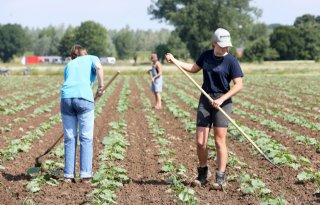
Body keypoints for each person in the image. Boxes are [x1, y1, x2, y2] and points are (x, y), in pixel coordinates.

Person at [165, 28, 243, 190]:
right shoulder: (206, 56)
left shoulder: (232, 61)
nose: (225, 49)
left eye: (227, 46)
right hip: (206, 99)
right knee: (201, 142)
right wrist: (175, 61)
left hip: (223, 100)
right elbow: (194, 68)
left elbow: (239, 85)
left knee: (219, 141)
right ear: (213, 43)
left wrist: (221, 99)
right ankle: (203, 173)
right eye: (222, 46)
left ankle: (220, 177)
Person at [60, 44, 104, 183]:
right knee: (85, 138)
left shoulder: (69, 64)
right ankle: (85, 175)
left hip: (66, 99)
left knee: (70, 138)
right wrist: (101, 87)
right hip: (84, 99)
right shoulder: (92, 58)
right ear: (84, 53)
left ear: (73, 55)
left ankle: (68, 175)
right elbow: (99, 67)